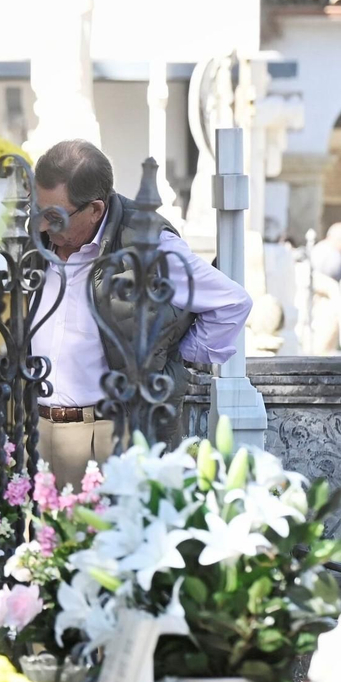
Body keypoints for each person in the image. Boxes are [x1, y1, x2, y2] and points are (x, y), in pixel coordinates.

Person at [33, 139, 253, 485]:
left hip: (106, 436)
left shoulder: (148, 244)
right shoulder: (34, 240)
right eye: (38, 210)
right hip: (34, 431)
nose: (42, 226)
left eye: (54, 217)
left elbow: (231, 302)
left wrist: (174, 354)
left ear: (95, 210)